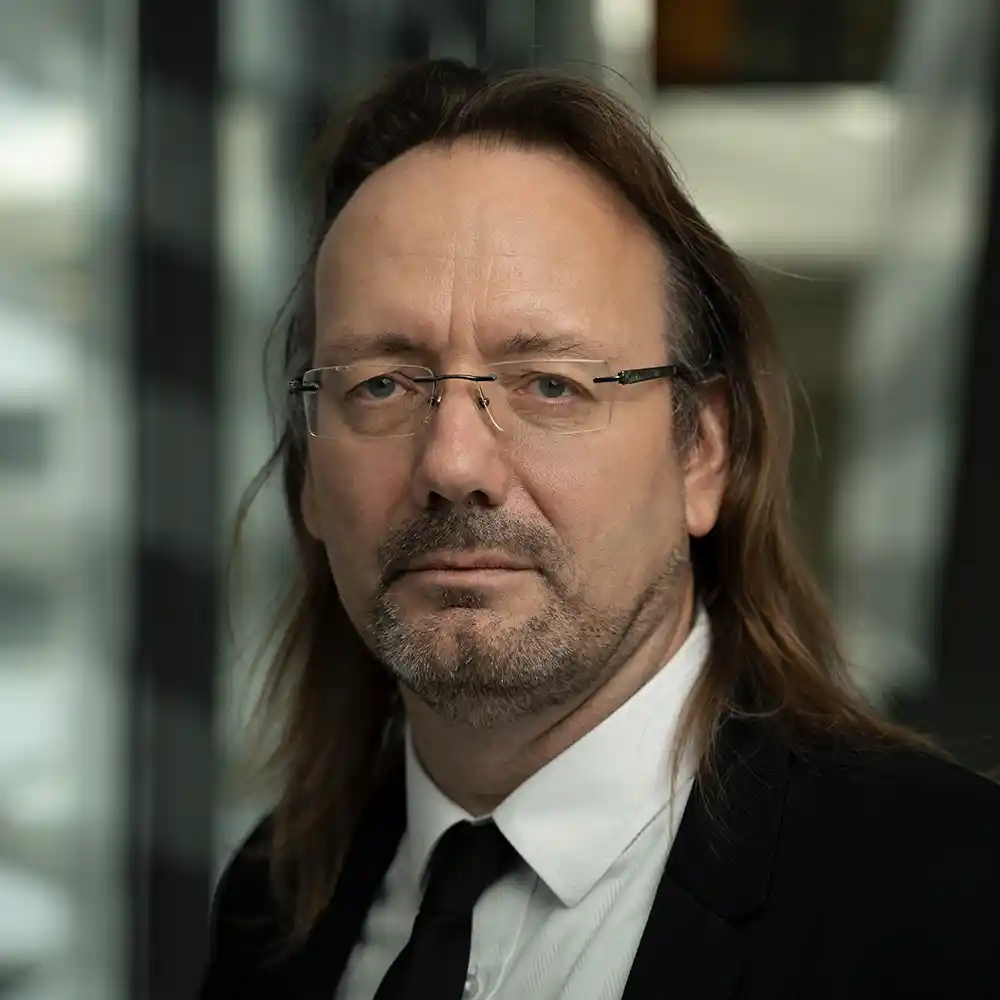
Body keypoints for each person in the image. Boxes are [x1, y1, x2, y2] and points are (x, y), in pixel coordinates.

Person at [199, 59, 1000, 1000]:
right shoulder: (270, 907)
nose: (454, 463)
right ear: (308, 472)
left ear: (701, 453)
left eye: (551, 384)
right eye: (381, 385)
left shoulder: (952, 905)